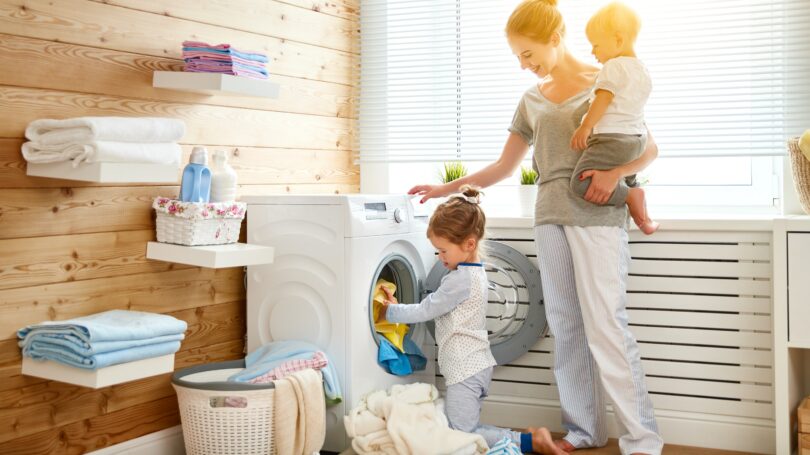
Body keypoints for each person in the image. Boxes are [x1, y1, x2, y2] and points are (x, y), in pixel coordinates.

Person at [408, 1, 665, 454]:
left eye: (527, 53)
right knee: (565, 326)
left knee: (606, 325)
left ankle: (641, 440)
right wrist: (445, 187)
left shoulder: (606, 78)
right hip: (549, 216)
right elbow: (505, 167)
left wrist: (614, 174)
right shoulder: (531, 100)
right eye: (517, 57)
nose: (523, 64)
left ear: (553, 39)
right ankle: (585, 431)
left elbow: (649, 150)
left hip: (597, 217)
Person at [377, 185, 564, 455]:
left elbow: (427, 309)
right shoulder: (473, 272)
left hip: (466, 370)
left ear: (469, 244)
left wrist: (389, 312)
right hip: (473, 366)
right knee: (465, 427)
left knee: (459, 433)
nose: (440, 258)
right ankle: (529, 438)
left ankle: (531, 443)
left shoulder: (459, 280)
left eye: (443, 251)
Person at [569, 2, 658, 235]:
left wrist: (586, 126)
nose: (593, 52)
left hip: (612, 139)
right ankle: (643, 216)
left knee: (579, 183)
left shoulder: (613, 67)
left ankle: (630, 196)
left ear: (618, 40)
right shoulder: (643, 70)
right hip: (636, 140)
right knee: (627, 178)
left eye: (596, 45)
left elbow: (604, 98)